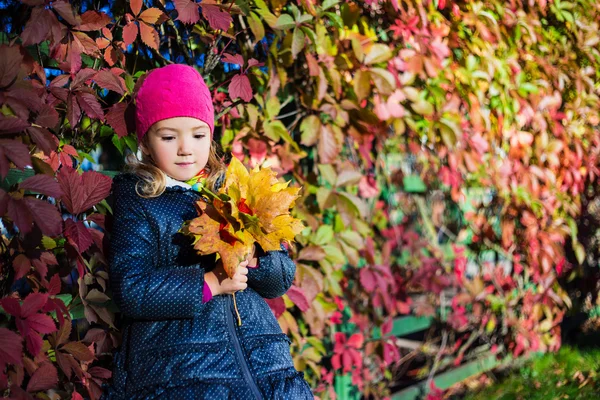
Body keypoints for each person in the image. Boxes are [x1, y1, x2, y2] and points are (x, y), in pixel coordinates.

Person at [103, 64, 313, 399]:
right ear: (146, 141)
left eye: (198, 135)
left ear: (211, 136)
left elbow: (280, 280)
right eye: (169, 136)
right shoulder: (142, 199)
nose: (186, 148)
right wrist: (210, 283)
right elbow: (130, 288)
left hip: (266, 366)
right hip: (188, 371)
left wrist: (257, 260)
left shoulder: (235, 192)